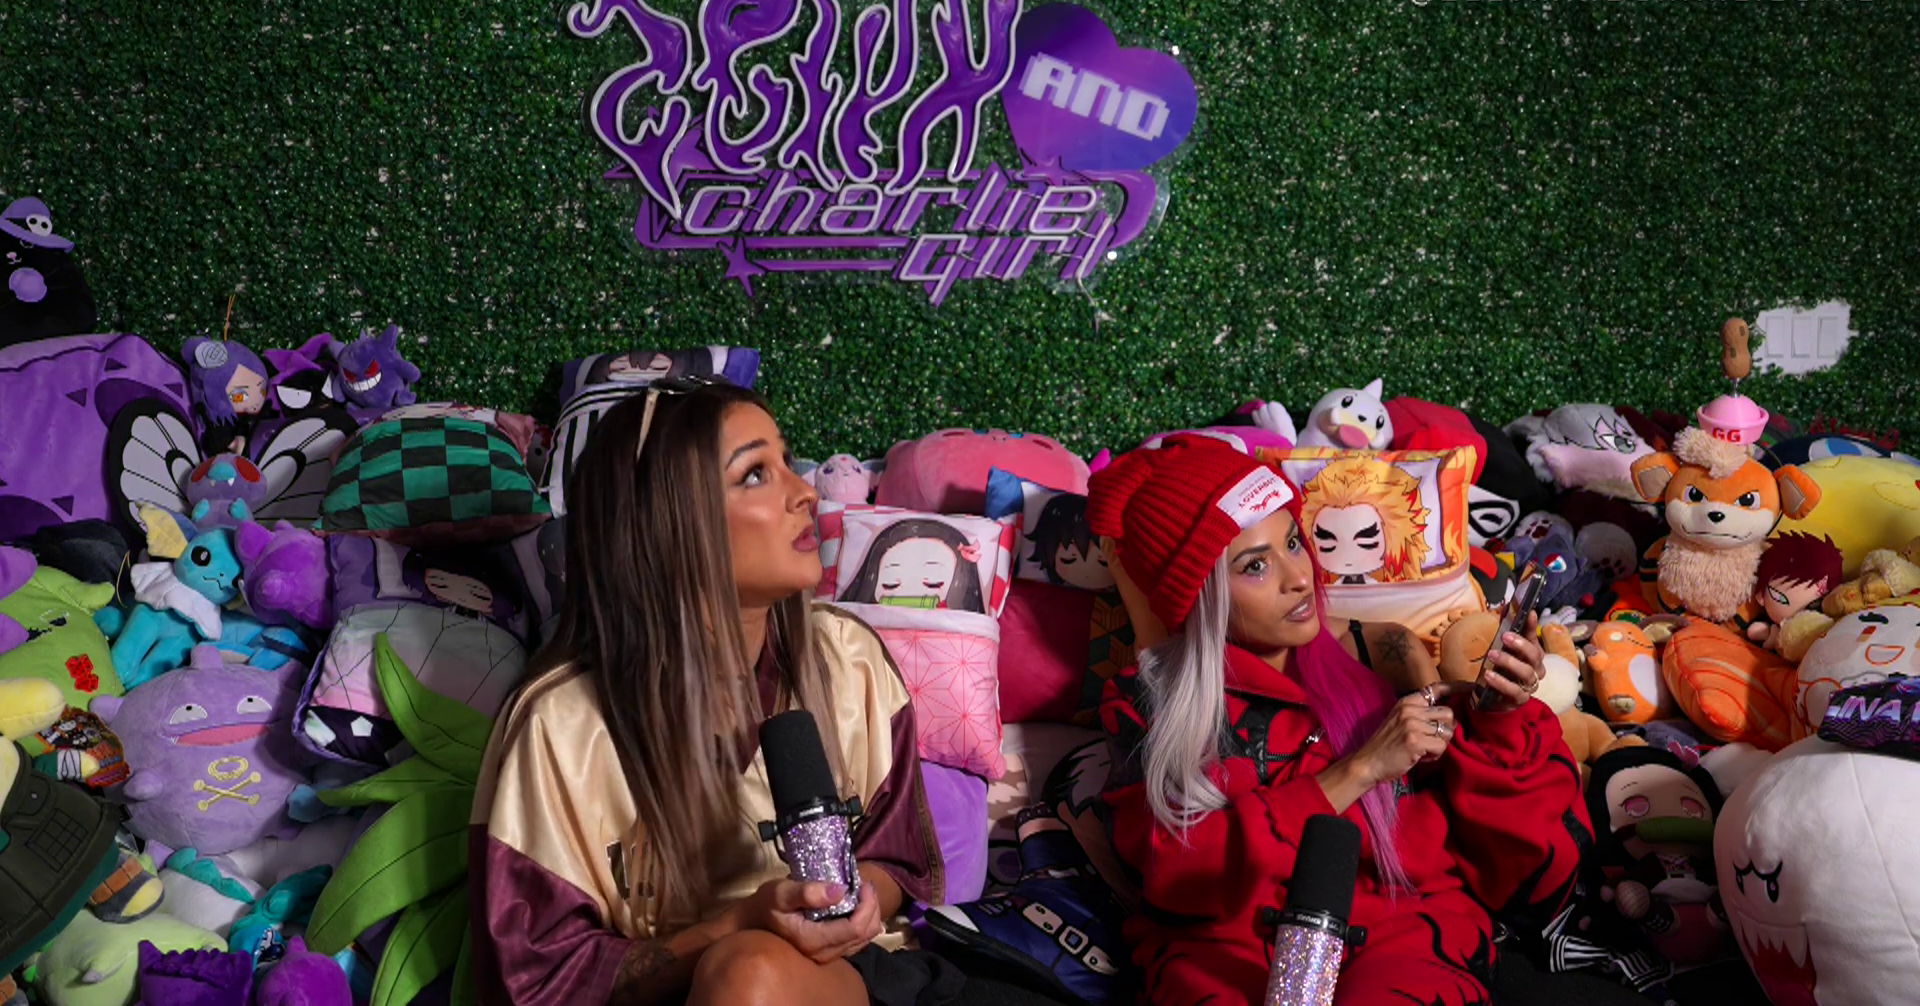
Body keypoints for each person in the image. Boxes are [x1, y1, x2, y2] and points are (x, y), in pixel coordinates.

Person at [472, 378, 1051, 1006]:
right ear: (667, 521)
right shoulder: (558, 725)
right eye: (754, 474)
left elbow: (896, 862)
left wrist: (856, 902)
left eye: (787, 462)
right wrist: (740, 927)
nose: (805, 492)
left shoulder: (849, 657)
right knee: (746, 973)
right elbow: (540, 980)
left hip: (867, 983)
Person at [1087, 436, 1592, 1005]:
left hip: (1400, 926)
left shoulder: (1381, 653)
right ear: (1198, 596)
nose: (1300, 578)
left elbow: (1505, 859)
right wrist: (1359, 769)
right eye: (1255, 566)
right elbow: (1174, 871)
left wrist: (1498, 721)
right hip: (1229, 942)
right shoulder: (1146, 700)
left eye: (1293, 543)